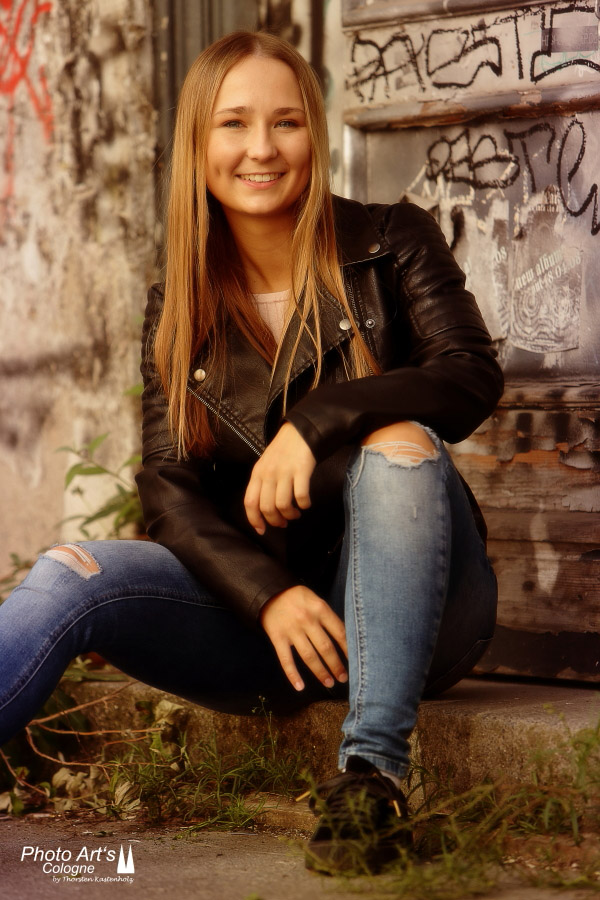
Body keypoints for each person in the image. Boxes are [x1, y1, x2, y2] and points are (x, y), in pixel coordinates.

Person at [0, 31, 502, 874]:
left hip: (426, 611)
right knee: (69, 571)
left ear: (315, 132)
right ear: (198, 145)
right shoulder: (180, 304)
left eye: (286, 122)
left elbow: (468, 374)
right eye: (233, 124)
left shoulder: (390, 241)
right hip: (270, 625)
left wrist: (319, 421)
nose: (261, 148)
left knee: (399, 442)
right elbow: (169, 490)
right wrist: (267, 596)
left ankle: (371, 781)